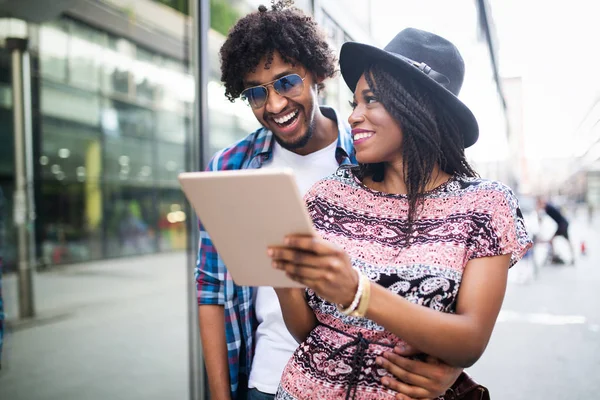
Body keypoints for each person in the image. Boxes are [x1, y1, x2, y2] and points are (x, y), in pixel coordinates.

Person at [196, 3, 465, 400]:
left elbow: (444, 280)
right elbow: (211, 291)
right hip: (269, 377)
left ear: (317, 74)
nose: (274, 105)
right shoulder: (230, 167)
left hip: (370, 382)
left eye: (287, 82)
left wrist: (450, 368)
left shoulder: (371, 152)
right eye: (256, 93)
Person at [269, 28, 532, 399]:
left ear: (416, 107)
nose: (353, 117)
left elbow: (470, 342)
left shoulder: (486, 206)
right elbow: (311, 332)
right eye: (354, 103)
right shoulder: (327, 196)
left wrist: (360, 294)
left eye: (371, 100)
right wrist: (279, 274)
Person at [536, 197, 575, 265]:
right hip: (563, 224)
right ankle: (568, 257)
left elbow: (540, 216)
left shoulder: (547, 206)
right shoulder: (548, 206)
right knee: (566, 241)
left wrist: (537, 210)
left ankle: (555, 256)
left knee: (554, 240)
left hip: (562, 225)